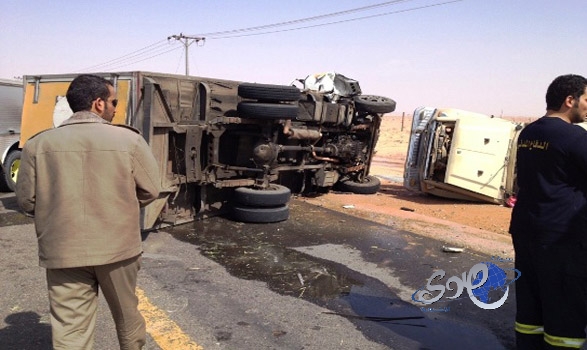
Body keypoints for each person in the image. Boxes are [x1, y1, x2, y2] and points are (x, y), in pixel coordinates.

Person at [16, 74, 161, 349]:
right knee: (128, 320)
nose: (115, 107)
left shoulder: (38, 144)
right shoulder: (128, 141)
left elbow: (26, 201)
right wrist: (117, 205)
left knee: (70, 332)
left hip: (62, 248)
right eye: (113, 101)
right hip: (117, 249)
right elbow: (151, 190)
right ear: (98, 104)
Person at [509, 74, 587, 349]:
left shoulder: (529, 132)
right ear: (570, 100)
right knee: (565, 305)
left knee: (531, 301)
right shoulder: (575, 137)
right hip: (561, 236)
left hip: (527, 229)